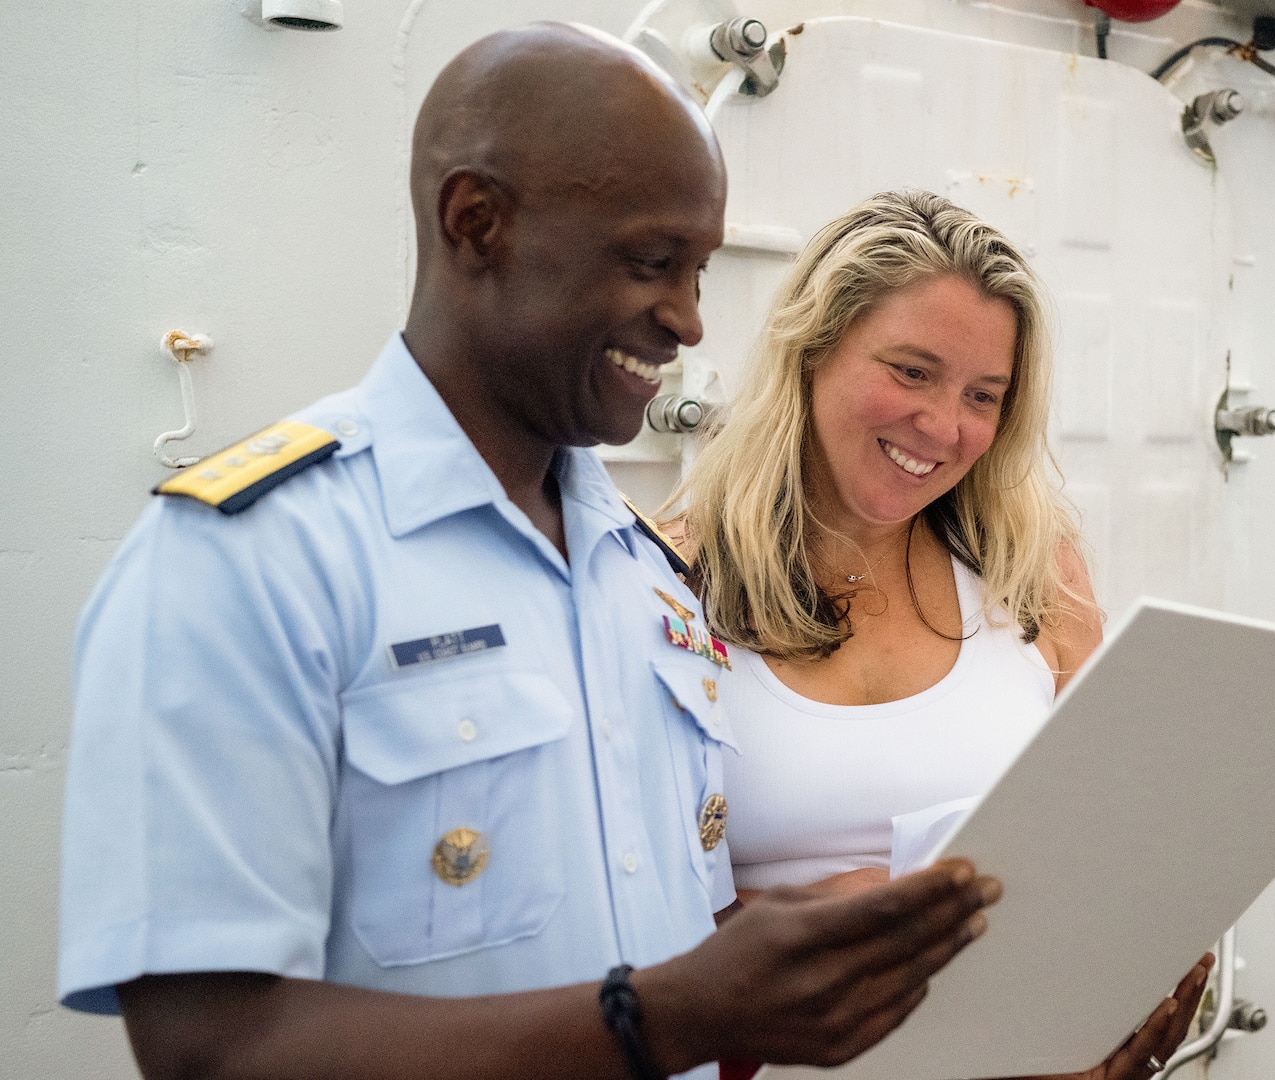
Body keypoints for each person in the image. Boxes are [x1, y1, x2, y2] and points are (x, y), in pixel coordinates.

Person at [57, 27, 1003, 1080]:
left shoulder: (643, 576)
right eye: (651, 263)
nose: (688, 320)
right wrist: (657, 1019)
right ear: (477, 223)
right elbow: (206, 1048)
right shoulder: (255, 561)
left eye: (696, 271)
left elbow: (648, 932)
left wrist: (807, 948)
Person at [669, 190, 1275, 1078]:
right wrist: (848, 913)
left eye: (983, 395)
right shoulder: (671, 579)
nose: (945, 428)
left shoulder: (1031, 569)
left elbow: (1114, 829)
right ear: (810, 348)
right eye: (911, 371)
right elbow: (619, 911)